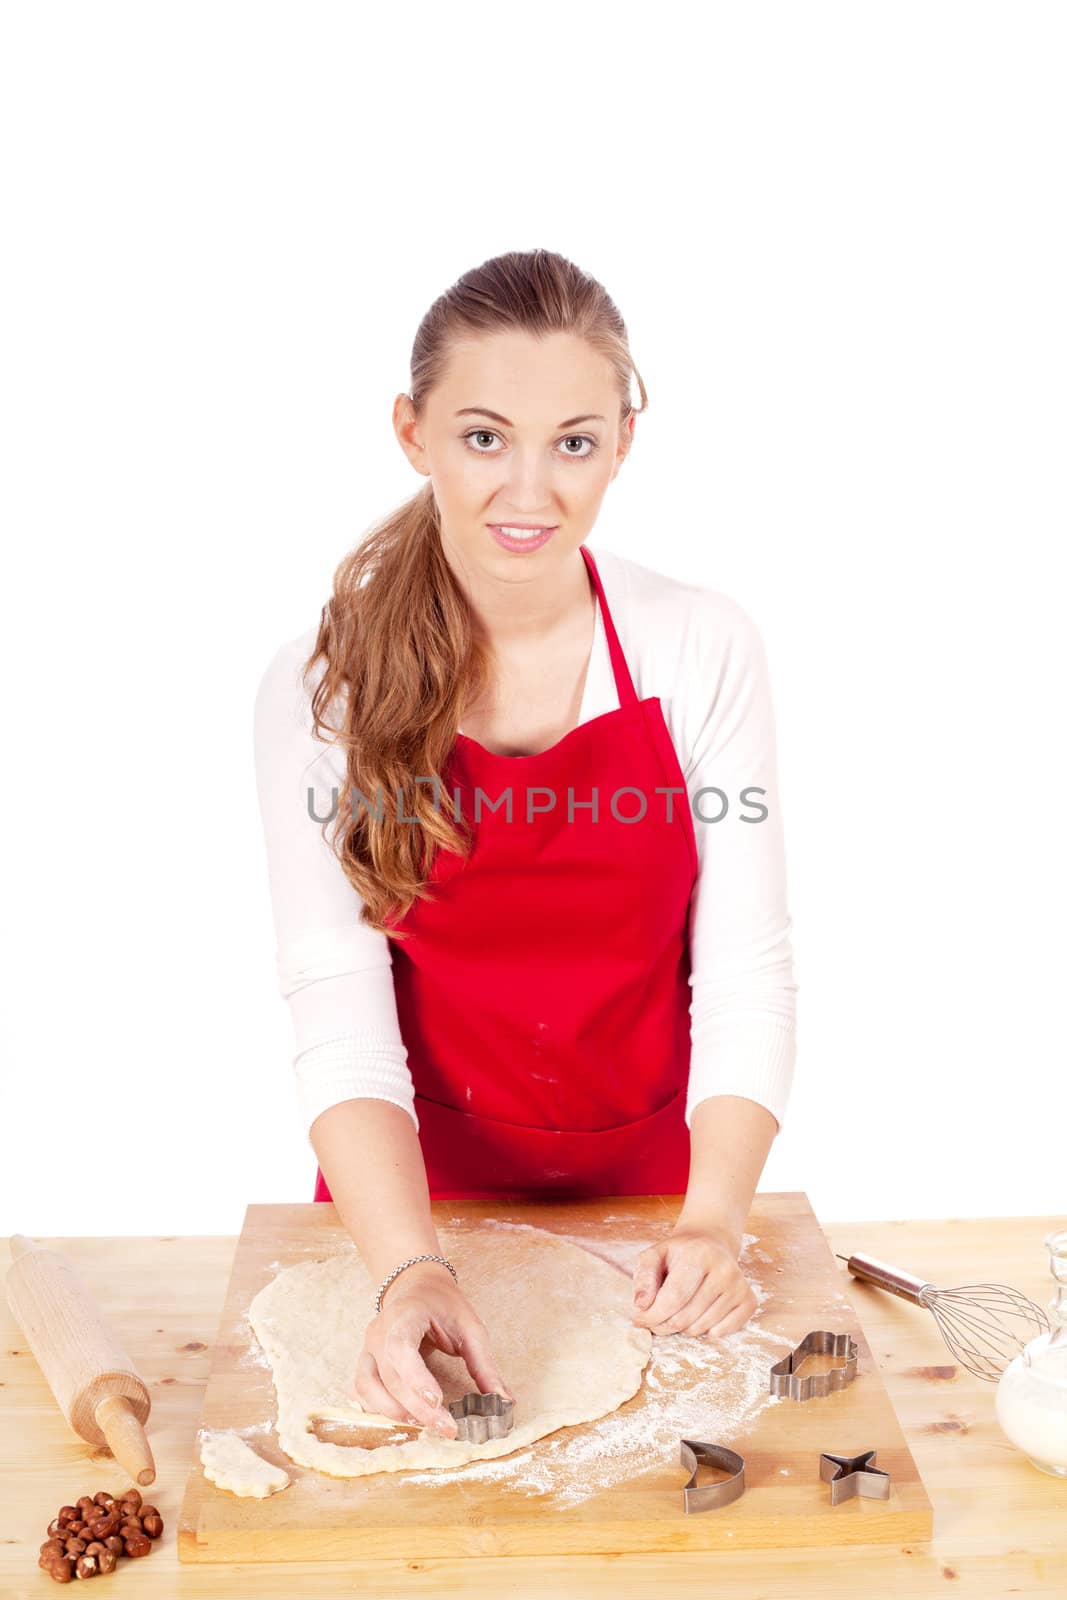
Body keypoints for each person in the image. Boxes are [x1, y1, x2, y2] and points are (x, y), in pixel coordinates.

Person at [253, 248, 798, 1441]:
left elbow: (747, 967)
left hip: (657, 1193)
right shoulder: (321, 686)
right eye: (484, 437)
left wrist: (708, 1221)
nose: (530, 490)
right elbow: (333, 996)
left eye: (573, 441)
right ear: (413, 433)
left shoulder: (698, 645)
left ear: (621, 443)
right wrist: (406, 1267)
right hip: (405, 1200)